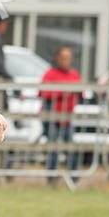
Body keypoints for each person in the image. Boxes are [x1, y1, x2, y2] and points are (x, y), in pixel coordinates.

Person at [39, 45, 81, 178]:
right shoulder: (50, 73)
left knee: (71, 148)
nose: (65, 61)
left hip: (67, 118)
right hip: (51, 118)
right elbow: (44, 92)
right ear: (57, 59)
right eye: (63, 58)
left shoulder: (74, 74)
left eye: (68, 58)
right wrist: (66, 90)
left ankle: (73, 176)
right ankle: (52, 177)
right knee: (53, 149)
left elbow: (81, 92)